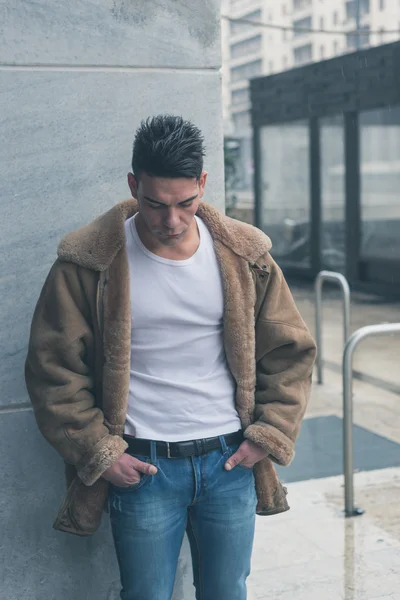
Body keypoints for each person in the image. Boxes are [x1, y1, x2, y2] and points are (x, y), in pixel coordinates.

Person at [25, 115, 316, 600]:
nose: (171, 220)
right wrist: (102, 453)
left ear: (203, 183)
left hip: (230, 461)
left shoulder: (247, 256)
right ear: (134, 185)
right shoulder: (88, 262)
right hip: (144, 468)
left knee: (228, 592)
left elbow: (289, 352)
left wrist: (269, 435)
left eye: (186, 202)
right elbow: (52, 370)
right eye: (155, 204)